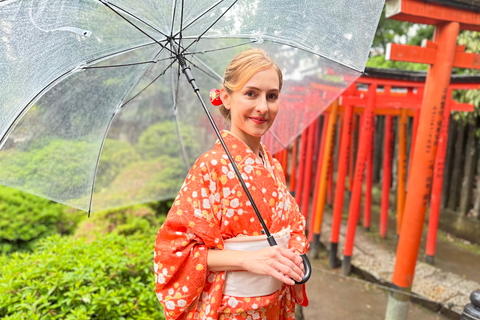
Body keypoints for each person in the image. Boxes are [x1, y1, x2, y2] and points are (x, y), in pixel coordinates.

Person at [154, 48, 309, 320]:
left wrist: (291, 255)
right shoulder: (210, 167)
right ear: (226, 97)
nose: (263, 107)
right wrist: (246, 259)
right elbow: (174, 251)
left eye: (271, 96)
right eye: (251, 93)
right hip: (230, 310)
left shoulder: (273, 167)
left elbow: (294, 227)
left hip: (275, 305)